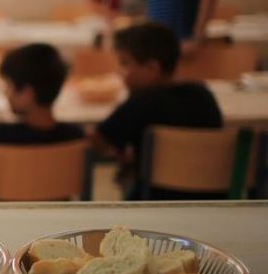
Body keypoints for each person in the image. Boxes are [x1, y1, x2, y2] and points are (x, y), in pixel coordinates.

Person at [91, 22, 223, 200]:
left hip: (154, 202)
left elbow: (97, 143)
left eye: (125, 64)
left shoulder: (139, 104)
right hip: (212, 201)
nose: (120, 72)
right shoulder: (203, 95)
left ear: (152, 68)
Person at [0, 44, 85, 173]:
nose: (6, 93)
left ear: (27, 93)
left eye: (8, 86)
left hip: (4, 200)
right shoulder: (75, 136)